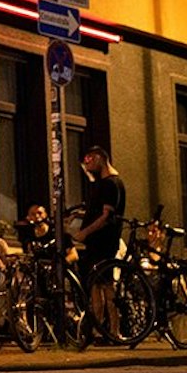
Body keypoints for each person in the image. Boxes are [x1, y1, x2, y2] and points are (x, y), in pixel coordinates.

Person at [68, 146, 125, 340]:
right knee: (99, 286)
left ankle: (109, 330)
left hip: (103, 242)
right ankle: (102, 330)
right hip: (101, 242)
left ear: (100, 158)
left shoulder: (110, 184)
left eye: (89, 160)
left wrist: (84, 232)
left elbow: (106, 215)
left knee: (103, 287)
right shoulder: (106, 183)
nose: (87, 165)